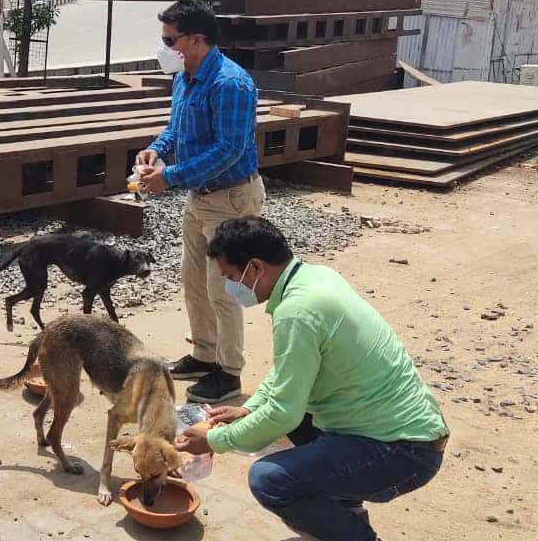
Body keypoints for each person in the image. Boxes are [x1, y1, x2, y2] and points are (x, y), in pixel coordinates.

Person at [174, 216, 449, 541]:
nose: (230, 287)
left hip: (402, 453)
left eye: (231, 277)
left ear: (256, 268)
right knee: (298, 421)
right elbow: (287, 371)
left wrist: (214, 441)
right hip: (408, 434)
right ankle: (343, 511)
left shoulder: (297, 311)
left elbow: (282, 413)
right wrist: (249, 409)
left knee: (269, 480)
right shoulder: (315, 277)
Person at [135, 0, 264, 403]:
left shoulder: (231, 83)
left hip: (231, 198)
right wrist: (156, 150)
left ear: (195, 39)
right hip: (199, 196)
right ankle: (204, 356)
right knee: (194, 283)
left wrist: (169, 177)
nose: (164, 47)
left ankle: (229, 373)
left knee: (224, 289)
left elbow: (228, 149)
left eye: (170, 39)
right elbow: (177, 129)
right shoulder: (185, 78)